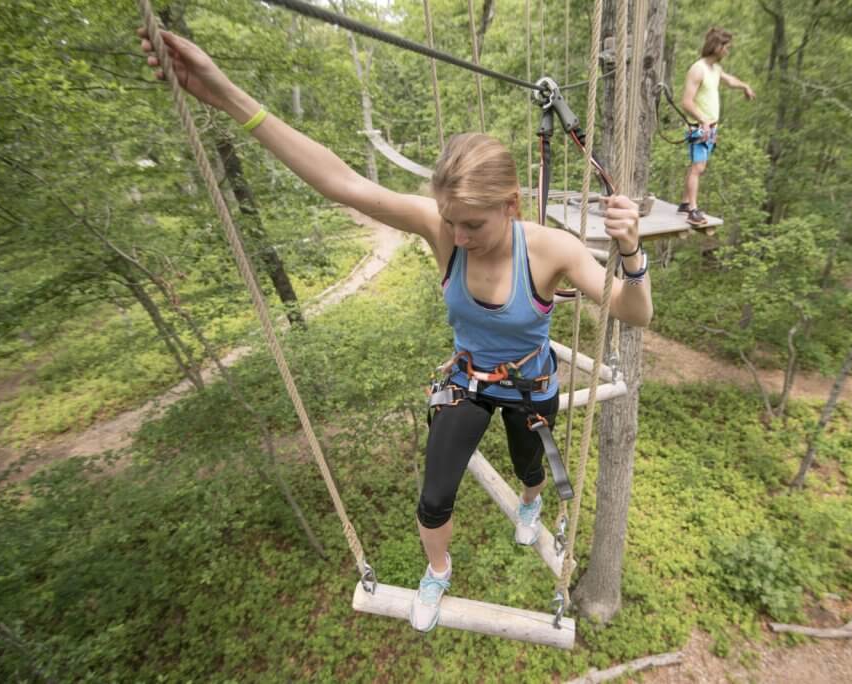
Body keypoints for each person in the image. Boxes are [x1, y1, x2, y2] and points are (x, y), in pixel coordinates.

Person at [139, 28, 653, 633]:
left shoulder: (553, 251)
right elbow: (341, 184)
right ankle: (438, 572)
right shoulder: (441, 228)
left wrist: (633, 254)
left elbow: (633, 313)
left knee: (529, 466)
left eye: (471, 225)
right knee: (434, 495)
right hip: (468, 380)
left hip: (530, 385)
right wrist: (226, 94)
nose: (456, 237)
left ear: (512, 204)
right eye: (448, 222)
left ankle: (533, 503)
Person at [678, 27, 755, 227]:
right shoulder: (698, 69)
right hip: (699, 126)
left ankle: (686, 203)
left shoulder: (715, 69)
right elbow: (686, 102)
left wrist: (745, 86)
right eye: (726, 47)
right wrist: (703, 120)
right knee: (698, 167)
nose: (728, 52)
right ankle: (693, 210)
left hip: (710, 127)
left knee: (696, 166)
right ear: (717, 47)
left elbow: (729, 80)